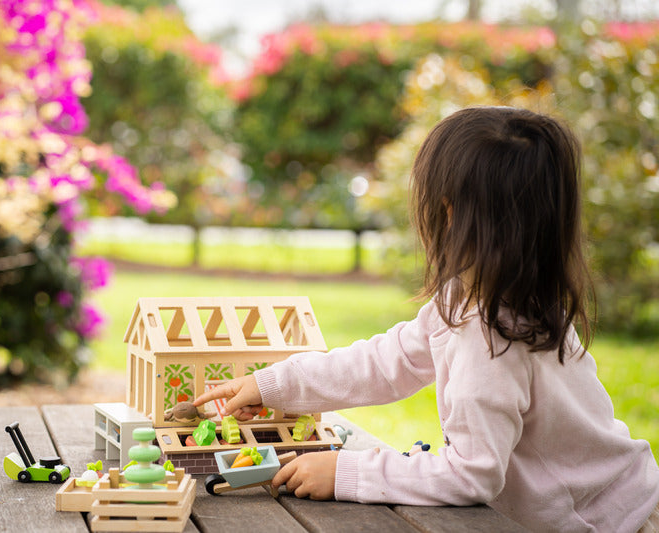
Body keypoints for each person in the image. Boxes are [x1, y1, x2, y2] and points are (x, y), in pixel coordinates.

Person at [194, 107, 659, 532]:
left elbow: (472, 475)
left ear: (450, 212)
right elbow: (387, 362)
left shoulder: (490, 341)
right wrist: (272, 384)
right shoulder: (489, 294)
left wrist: (346, 473)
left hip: (614, 523)